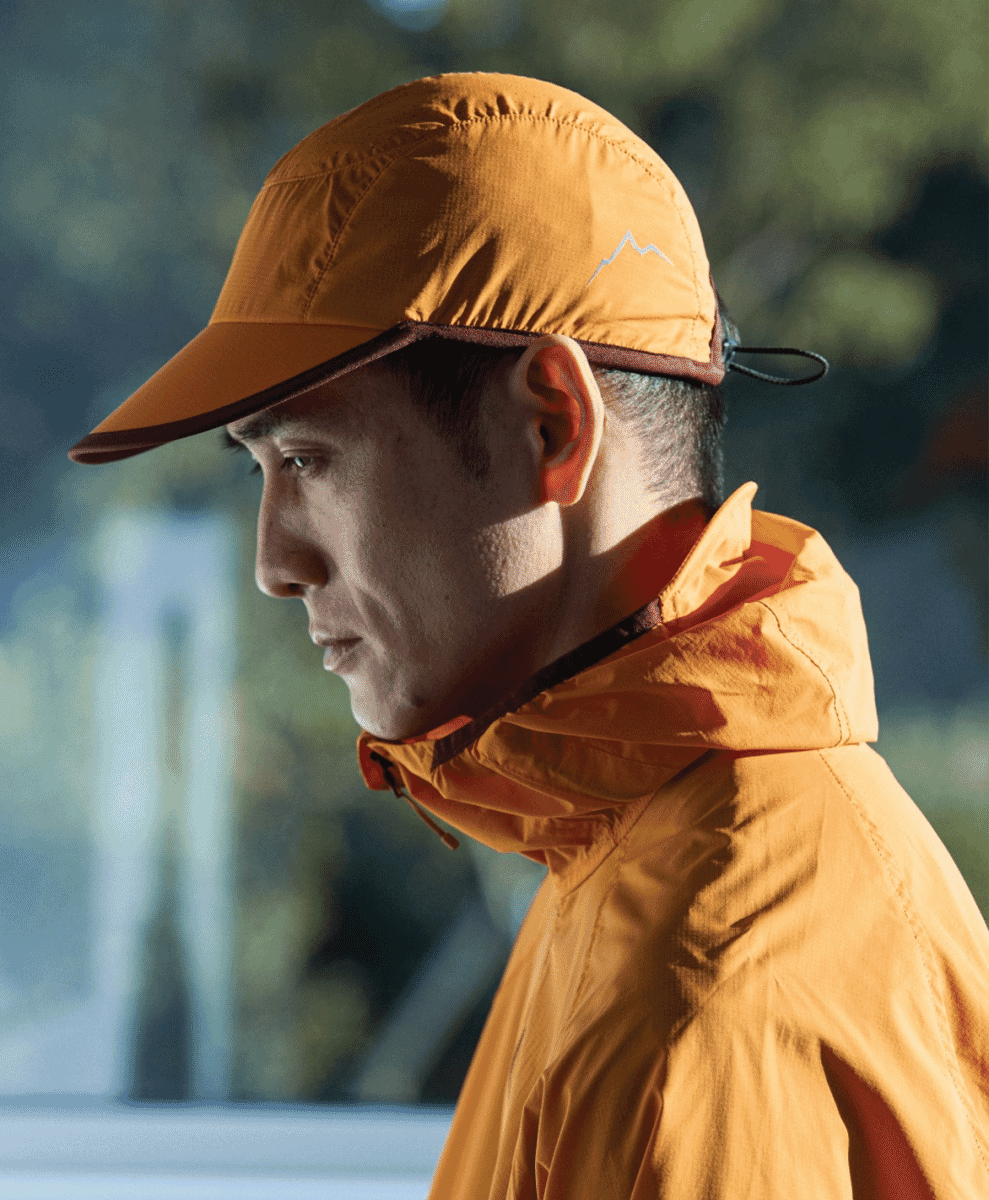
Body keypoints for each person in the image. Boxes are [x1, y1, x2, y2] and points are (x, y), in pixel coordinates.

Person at [70, 73, 988, 1198]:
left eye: (307, 459)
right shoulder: (632, 851)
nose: (273, 563)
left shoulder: (700, 993)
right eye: (258, 471)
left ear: (550, 423)